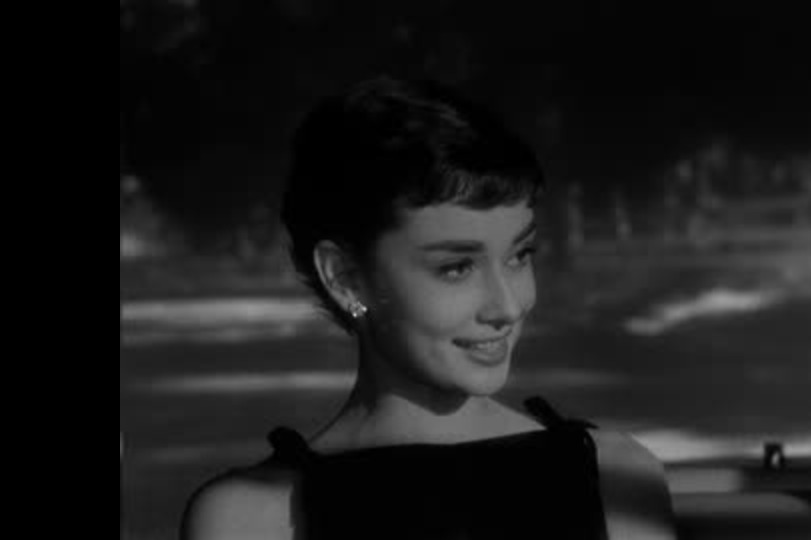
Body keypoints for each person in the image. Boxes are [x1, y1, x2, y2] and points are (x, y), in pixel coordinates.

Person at [180, 75, 675, 540]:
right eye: (456, 268)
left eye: (520, 255)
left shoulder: (616, 478)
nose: (507, 306)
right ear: (346, 277)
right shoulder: (253, 520)